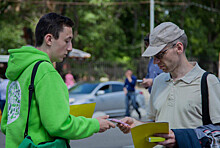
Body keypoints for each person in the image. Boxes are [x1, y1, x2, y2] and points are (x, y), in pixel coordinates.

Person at [1, 12, 115, 148]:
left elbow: (5, 124)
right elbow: (58, 125)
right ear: (49, 39)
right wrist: (95, 124)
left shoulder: (19, 71)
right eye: (67, 40)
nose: (70, 47)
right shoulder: (46, 71)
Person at [117, 22, 220, 147]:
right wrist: (136, 124)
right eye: (153, 57)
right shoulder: (158, 81)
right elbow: (156, 125)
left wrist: (180, 138)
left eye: (160, 55)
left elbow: (217, 132)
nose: (155, 62)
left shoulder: (208, 81)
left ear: (179, 48)